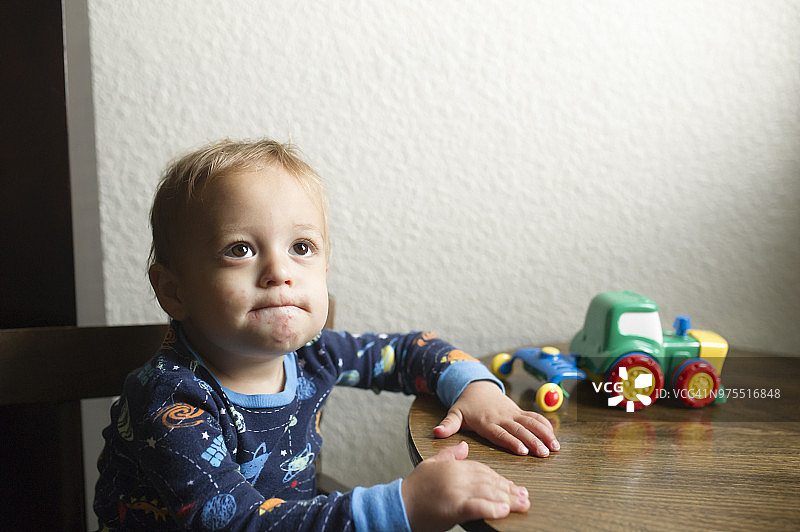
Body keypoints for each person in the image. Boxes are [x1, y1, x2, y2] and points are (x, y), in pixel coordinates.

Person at [94, 138, 560, 532]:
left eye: (302, 248)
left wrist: (476, 388)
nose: (280, 272)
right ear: (174, 292)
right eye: (239, 249)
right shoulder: (168, 398)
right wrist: (401, 507)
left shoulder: (313, 353)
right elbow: (238, 523)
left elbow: (407, 352)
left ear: (325, 269)